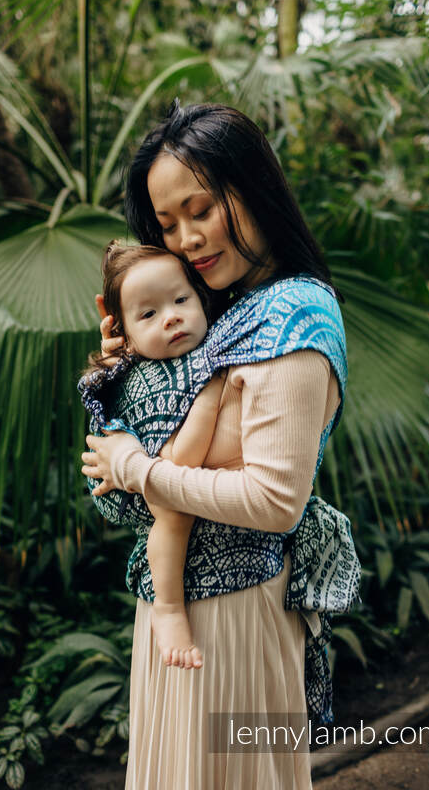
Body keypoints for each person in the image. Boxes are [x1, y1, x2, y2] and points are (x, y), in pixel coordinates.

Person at [80, 101, 358, 789]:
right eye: (166, 225)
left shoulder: (294, 316)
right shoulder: (215, 312)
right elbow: (114, 495)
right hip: (169, 608)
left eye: (199, 209)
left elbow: (272, 502)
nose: (187, 240)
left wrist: (136, 468)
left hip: (231, 616)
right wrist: (120, 373)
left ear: (250, 186)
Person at [80, 240, 226, 670]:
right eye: (149, 314)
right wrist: (211, 395)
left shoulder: (203, 348)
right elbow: (180, 464)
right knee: (174, 511)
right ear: (126, 333)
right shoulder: (151, 377)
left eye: (181, 300)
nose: (172, 317)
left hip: (140, 469)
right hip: (133, 475)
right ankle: (169, 607)